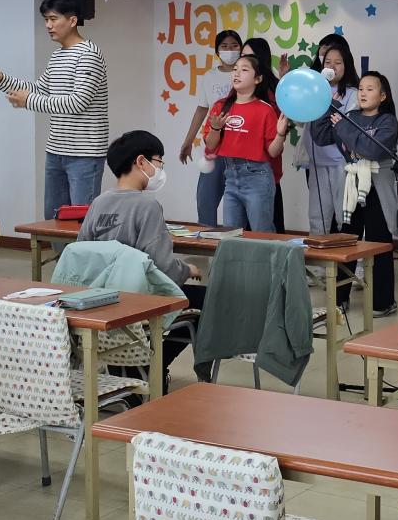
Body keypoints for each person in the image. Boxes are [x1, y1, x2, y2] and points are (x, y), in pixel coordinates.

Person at [0, 0, 109, 218]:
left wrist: (28, 101)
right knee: (53, 219)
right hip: (56, 151)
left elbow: (78, 102)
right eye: (46, 19)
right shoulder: (58, 56)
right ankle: (58, 246)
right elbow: (40, 90)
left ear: (72, 21)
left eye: (53, 19)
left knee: (81, 221)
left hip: (85, 154)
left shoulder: (89, 54)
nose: (48, 25)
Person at [82, 130, 204, 367]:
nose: (160, 169)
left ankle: (134, 364)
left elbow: (81, 254)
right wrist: (188, 269)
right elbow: (163, 268)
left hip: (100, 298)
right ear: (141, 162)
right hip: (138, 300)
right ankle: (154, 366)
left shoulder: (98, 203)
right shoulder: (148, 206)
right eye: (159, 162)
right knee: (206, 299)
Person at [325, 71, 398, 316]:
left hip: (378, 185)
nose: (363, 93)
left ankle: (383, 301)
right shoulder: (349, 117)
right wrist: (326, 107)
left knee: (379, 243)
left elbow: (371, 149)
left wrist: (346, 129)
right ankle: (340, 298)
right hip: (353, 184)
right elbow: (330, 140)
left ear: (383, 96)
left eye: (370, 89)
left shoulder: (388, 121)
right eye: (360, 88)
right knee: (345, 240)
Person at [203, 54, 288, 232]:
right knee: (231, 235)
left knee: (261, 235)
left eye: (244, 70)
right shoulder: (221, 106)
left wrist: (280, 134)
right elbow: (210, 145)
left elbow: (273, 152)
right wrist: (216, 128)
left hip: (258, 177)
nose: (237, 73)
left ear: (258, 79)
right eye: (235, 69)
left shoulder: (265, 110)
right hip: (230, 176)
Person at [178, 29, 243, 227]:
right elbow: (201, 109)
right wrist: (188, 141)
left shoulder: (246, 74)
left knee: (240, 203)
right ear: (217, 51)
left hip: (240, 147)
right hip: (215, 145)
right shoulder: (210, 76)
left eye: (234, 46)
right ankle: (207, 236)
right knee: (205, 198)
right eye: (224, 46)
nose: (229, 50)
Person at [296, 34, 358, 235]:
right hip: (317, 162)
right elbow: (300, 120)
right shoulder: (314, 91)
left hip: (342, 164)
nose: (332, 66)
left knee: (344, 216)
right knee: (317, 217)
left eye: (338, 63)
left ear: (346, 66)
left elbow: (348, 127)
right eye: (328, 62)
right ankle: (319, 256)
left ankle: (349, 255)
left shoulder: (353, 93)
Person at [244, 36, 290, 232]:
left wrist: (285, 80)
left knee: (270, 227)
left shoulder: (275, 88)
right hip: (243, 168)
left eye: (250, 56)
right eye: (242, 56)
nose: (244, 61)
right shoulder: (239, 89)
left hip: (267, 166)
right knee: (244, 228)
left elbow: (284, 121)